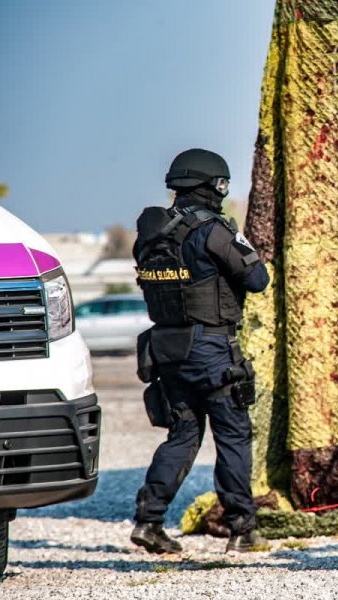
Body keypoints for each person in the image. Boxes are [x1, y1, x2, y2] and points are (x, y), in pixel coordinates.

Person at [130, 148, 270, 554]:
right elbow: (257, 279)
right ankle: (242, 529)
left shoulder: (153, 235)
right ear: (213, 185)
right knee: (233, 435)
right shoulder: (213, 230)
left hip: (167, 351)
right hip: (211, 349)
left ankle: (148, 521)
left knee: (182, 435)